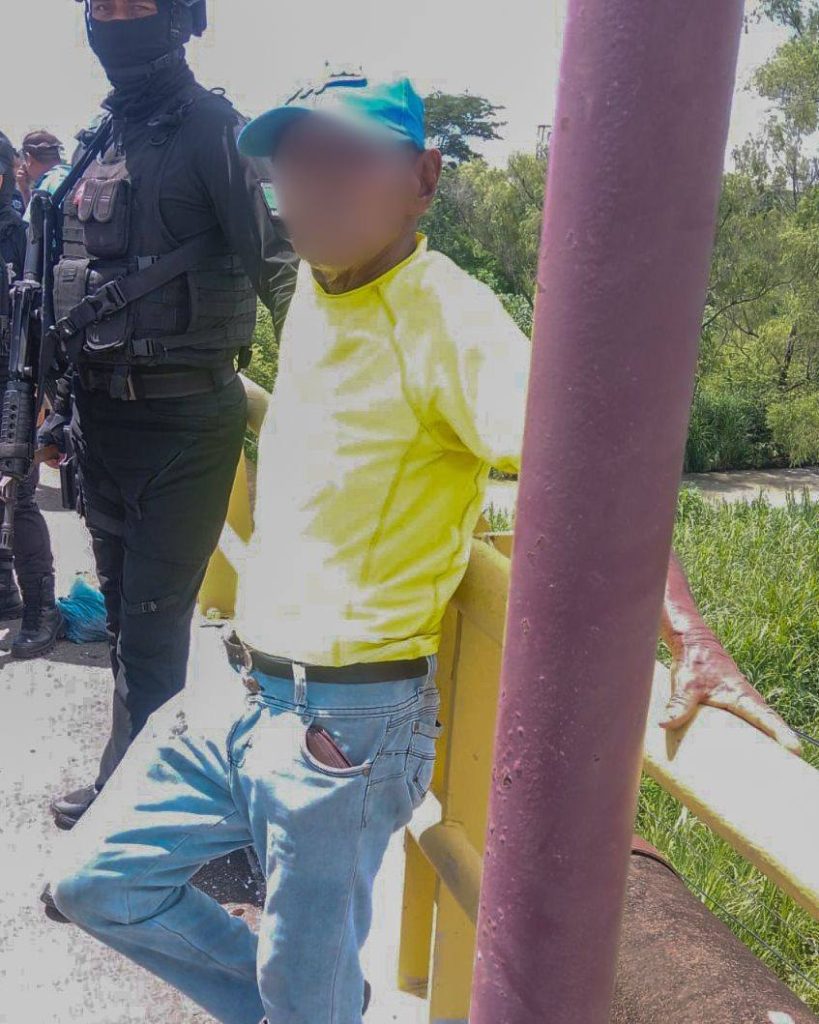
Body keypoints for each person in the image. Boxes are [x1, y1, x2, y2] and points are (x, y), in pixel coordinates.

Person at [49, 73, 799, 1024]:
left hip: (341, 728)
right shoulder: (318, 285)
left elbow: (592, 473)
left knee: (301, 992)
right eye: (294, 166)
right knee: (95, 881)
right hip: (240, 689)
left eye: (347, 161)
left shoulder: (449, 318)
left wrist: (691, 635)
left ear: (424, 179)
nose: (316, 187)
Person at [44, 0, 296, 831]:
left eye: (137, 4)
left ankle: (136, 821)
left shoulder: (215, 131)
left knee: (152, 633)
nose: (116, 21)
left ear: (182, 17)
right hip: (99, 423)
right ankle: (133, 780)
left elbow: (281, 270)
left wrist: (323, 408)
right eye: (102, 6)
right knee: (124, 620)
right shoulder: (101, 138)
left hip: (183, 427)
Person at [0, 131, 62, 655]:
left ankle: (43, 610)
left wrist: (45, 401)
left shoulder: (22, 238)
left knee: (16, 496)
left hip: (11, 386)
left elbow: (44, 322)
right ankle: (5, 592)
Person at [16, 130, 69, 211]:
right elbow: (37, 215)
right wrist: (25, 190)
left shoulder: (51, 183)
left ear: (29, 159)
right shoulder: (67, 175)